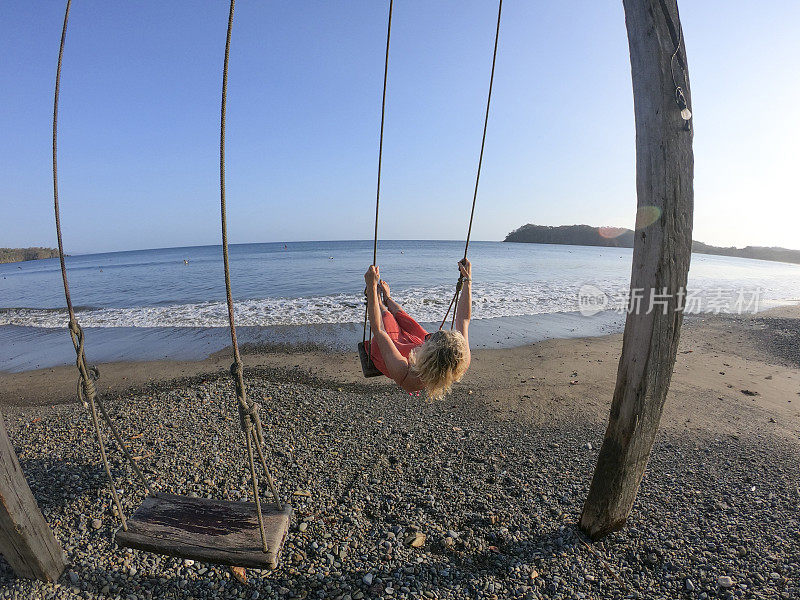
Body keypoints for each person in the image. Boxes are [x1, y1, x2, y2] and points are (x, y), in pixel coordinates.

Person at [364, 259, 472, 399]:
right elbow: (463, 319)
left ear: (428, 353)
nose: (428, 336)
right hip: (426, 354)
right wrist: (468, 279)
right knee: (410, 323)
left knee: (387, 320)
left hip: (388, 355)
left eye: (429, 338)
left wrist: (372, 287)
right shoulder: (461, 356)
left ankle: (381, 303)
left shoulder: (407, 375)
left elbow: (379, 330)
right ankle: (388, 299)